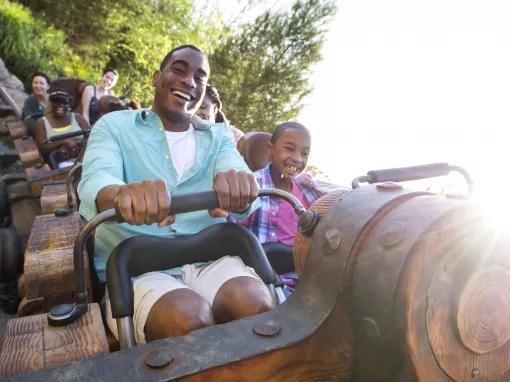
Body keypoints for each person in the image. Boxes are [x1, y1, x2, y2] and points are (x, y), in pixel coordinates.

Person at [78, 45, 273, 345]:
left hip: (211, 257)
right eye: (179, 70)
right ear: (156, 78)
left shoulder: (218, 136)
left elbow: (236, 175)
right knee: (188, 319)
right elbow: (96, 181)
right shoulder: (114, 126)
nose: (189, 82)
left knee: (255, 305)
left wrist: (240, 185)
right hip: (139, 267)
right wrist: (121, 195)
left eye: (200, 78)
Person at [234, 122, 325, 294]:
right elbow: (235, 230)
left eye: (304, 153)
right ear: (270, 149)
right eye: (289, 149)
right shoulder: (253, 186)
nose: (297, 158)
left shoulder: (309, 190)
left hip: (304, 275)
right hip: (266, 277)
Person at [34, 90, 90, 168]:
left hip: (83, 156)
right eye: (56, 102)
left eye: (64, 103)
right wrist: (62, 142)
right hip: (59, 161)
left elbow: (92, 137)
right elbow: (42, 148)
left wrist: (77, 144)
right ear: (50, 104)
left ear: (69, 105)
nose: (60, 105)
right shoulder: (41, 122)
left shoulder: (78, 118)